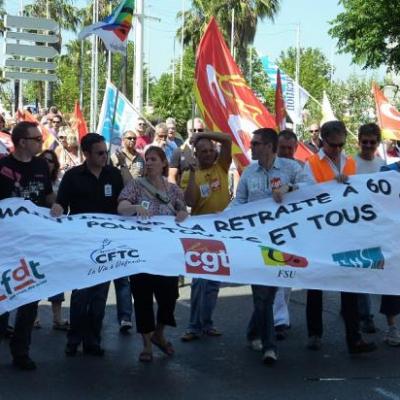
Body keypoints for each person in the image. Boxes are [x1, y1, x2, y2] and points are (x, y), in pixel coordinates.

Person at [233, 127, 311, 364]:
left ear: (268, 146)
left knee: (269, 293)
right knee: (262, 292)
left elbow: (311, 189)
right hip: (256, 242)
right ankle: (270, 347)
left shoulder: (291, 169)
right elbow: (239, 201)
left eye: (255, 143)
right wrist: (219, 220)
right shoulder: (248, 172)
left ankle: (252, 332)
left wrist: (289, 189)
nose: (251, 147)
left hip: (284, 240)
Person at [304, 120, 377, 355]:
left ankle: (354, 338)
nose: (337, 149)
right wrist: (330, 187)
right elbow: (307, 196)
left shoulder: (350, 162)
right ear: (323, 141)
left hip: (347, 233)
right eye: (333, 145)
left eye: (341, 145)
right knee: (315, 284)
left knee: (350, 285)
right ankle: (315, 333)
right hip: (321, 233)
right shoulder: (311, 164)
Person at [53, 133, 124, 357]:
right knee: (81, 294)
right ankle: (74, 339)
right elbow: (61, 205)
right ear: (86, 154)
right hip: (81, 244)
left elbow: (125, 202)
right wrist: (55, 210)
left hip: (107, 244)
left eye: (106, 152)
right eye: (100, 153)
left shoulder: (114, 174)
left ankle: (93, 340)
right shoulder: (73, 176)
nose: (105, 156)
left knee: (99, 296)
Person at [117, 146, 188, 362]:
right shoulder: (136, 186)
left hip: (166, 253)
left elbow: (182, 209)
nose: (148, 162)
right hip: (142, 252)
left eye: (153, 159)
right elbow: (121, 206)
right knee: (142, 297)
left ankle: (159, 333)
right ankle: (146, 344)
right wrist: (134, 207)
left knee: (169, 297)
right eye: (146, 159)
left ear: (164, 163)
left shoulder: (173, 189)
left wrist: (182, 213)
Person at [0, 121, 59, 370]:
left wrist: (56, 205)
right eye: (37, 138)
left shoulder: (39, 166)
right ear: (22, 142)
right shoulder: (2, 166)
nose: (41, 142)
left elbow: (46, 195)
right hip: (5, 242)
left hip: (33, 241)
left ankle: (21, 351)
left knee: (30, 294)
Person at [180, 131, 232, 342]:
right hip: (200, 233)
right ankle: (193, 326)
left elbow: (227, 140)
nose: (210, 154)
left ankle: (207, 323)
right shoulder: (188, 174)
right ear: (197, 154)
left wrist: (201, 134)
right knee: (199, 281)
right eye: (204, 151)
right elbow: (190, 202)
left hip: (222, 231)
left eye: (212, 150)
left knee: (213, 284)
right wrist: (192, 174)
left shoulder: (221, 166)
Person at [354, 123, 385, 334]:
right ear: (359, 141)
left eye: (371, 142)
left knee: (371, 271)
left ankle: (355, 307)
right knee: (361, 271)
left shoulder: (382, 165)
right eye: (364, 142)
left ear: (377, 143)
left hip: (375, 226)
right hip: (353, 225)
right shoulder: (349, 163)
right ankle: (365, 316)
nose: (367, 145)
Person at [273, 130, 304, 341]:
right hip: (270, 228)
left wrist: (291, 187)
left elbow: (309, 187)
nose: (285, 151)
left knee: (286, 274)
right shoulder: (268, 166)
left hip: (293, 228)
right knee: (275, 273)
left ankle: (280, 316)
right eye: (281, 147)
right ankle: (279, 320)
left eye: (288, 148)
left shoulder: (299, 168)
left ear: (294, 148)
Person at [36, 150, 69, 331]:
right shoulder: (32, 180)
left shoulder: (58, 183)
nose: (47, 163)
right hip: (35, 235)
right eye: (43, 160)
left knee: (56, 275)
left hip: (54, 235)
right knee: (35, 274)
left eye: (50, 161)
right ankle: (34, 316)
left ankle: (57, 317)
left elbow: (62, 204)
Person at [169, 117, 205, 185]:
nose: (196, 132)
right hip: (185, 192)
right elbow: (171, 177)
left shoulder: (209, 151)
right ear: (188, 131)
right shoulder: (178, 152)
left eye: (200, 130)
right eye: (193, 130)